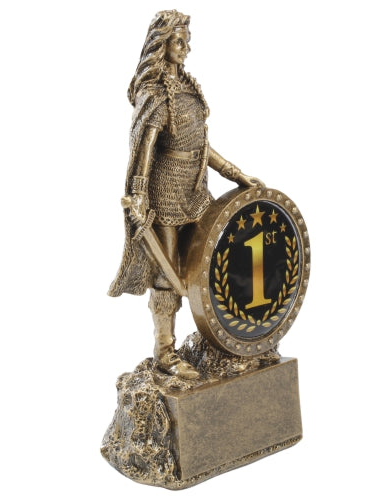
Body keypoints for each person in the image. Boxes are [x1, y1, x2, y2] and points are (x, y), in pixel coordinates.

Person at [108, 10, 263, 379]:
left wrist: (234, 173)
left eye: (187, 40)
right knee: (168, 277)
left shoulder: (188, 87)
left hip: (195, 191)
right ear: (161, 45)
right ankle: (165, 352)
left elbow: (200, 146)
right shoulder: (155, 94)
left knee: (207, 261)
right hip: (165, 197)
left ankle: (214, 334)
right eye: (178, 41)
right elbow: (145, 149)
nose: (186, 48)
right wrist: (139, 194)